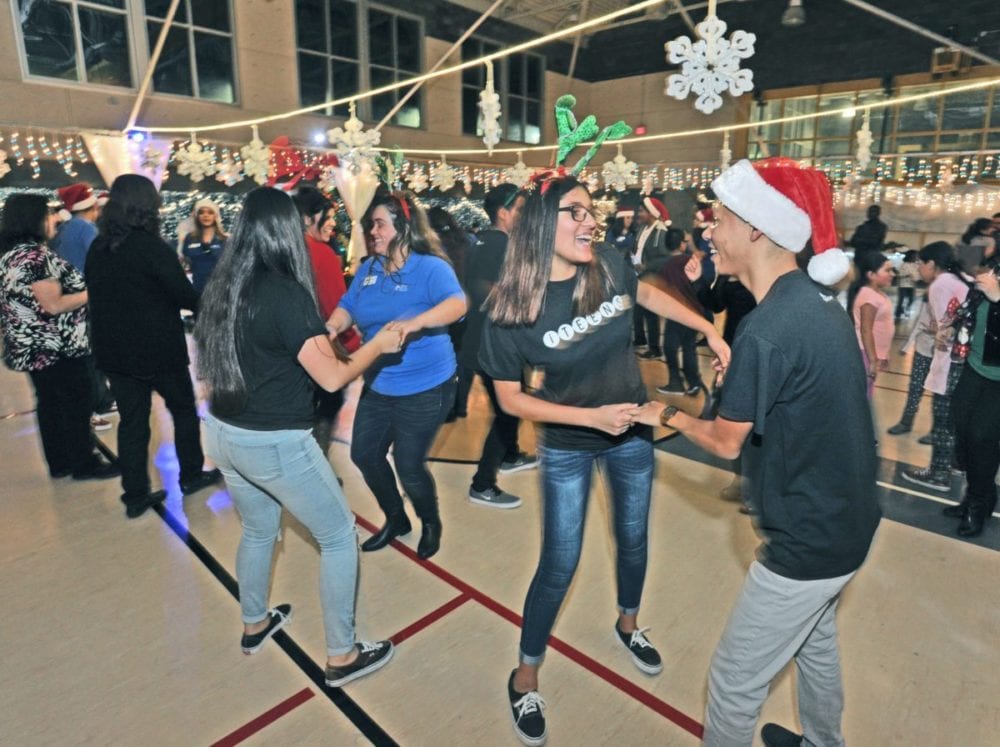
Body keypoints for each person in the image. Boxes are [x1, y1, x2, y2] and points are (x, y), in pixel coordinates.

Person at [632, 158, 880, 747]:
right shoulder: (816, 302)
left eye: (719, 220)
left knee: (733, 685)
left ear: (757, 229)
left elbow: (724, 440)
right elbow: (796, 399)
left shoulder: (767, 328)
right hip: (847, 521)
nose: (709, 232)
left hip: (807, 540)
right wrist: (740, 379)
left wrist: (662, 412)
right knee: (816, 645)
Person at [479, 174, 729, 747]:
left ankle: (628, 624)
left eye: (592, 211)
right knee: (560, 561)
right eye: (576, 212)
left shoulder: (609, 265)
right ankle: (525, 673)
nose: (591, 221)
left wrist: (704, 328)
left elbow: (644, 293)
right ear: (542, 223)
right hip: (568, 444)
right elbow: (509, 399)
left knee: (633, 538)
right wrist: (591, 420)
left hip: (632, 437)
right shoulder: (510, 308)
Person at [195, 187, 400, 686]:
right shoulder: (286, 292)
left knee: (261, 530)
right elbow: (332, 378)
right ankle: (342, 655)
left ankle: (254, 622)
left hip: (223, 432)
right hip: (275, 443)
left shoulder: (226, 284)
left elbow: (278, 350)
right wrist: (379, 344)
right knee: (337, 537)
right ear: (288, 231)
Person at [329, 191, 467, 560]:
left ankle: (430, 520)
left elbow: (457, 305)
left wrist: (416, 322)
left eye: (379, 224)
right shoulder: (369, 269)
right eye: (371, 224)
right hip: (380, 382)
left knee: (408, 464)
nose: (371, 231)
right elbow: (348, 306)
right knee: (364, 454)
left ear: (403, 227)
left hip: (427, 385)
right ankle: (396, 518)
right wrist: (332, 326)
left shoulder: (430, 267)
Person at [85, 174, 221, 519]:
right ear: (148, 206)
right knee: (184, 411)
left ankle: (135, 495)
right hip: (157, 349)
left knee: (132, 423)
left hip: (114, 351)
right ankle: (190, 475)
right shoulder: (152, 248)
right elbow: (185, 296)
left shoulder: (98, 248)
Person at [0, 193, 118, 481]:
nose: (54, 219)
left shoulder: (11, 254)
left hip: (31, 345)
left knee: (50, 404)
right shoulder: (36, 256)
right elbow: (52, 305)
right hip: (56, 345)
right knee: (75, 402)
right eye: (48, 214)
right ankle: (83, 463)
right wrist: (92, 292)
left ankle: (61, 463)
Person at [458, 184, 537, 510]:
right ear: (503, 213)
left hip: (483, 341)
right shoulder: (499, 244)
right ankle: (483, 483)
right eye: (519, 209)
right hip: (495, 344)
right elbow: (483, 289)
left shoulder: (486, 241)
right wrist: (522, 307)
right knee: (510, 408)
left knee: (509, 406)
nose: (523, 216)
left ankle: (510, 454)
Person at [293, 187, 360, 457]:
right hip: (318, 347)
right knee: (328, 402)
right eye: (328, 216)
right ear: (308, 218)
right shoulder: (321, 254)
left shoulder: (283, 250)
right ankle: (315, 466)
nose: (333, 222)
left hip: (284, 350)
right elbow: (336, 308)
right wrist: (354, 346)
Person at [900, 242, 970, 493]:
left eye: (920, 263)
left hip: (951, 362)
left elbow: (946, 331)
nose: (918, 268)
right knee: (952, 420)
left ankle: (938, 475)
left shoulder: (940, 285)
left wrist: (935, 330)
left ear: (932, 264)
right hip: (964, 363)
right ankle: (953, 465)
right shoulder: (959, 281)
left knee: (942, 420)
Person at [50, 181, 116, 428]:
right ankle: (97, 404)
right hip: (87, 298)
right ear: (92, 207)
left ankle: (95, 404)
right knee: (91, 353)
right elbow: (103, 260)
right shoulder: (86, 229)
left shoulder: (64, 230)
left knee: (81, 353)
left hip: (68, 301)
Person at [949, 256, 1000, 537]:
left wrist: (999, 297)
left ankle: (979, 505)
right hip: (974, 368)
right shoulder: (991, 270)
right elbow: (972, 317)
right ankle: (975, 496)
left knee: (983, 438)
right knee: (963, 431)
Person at [656, 252, 709, 396]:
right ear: (682, 244)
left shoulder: (666, 264)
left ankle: (676, 383)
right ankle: (694, 382)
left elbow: (660, 286)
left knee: (669, 347)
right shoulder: (691, 261)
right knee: (688, 346)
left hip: (677, 311)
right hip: (695, 310)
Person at [848, 251, 895, 399]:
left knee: (867, 391)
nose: (892, 274)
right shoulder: (869, 296)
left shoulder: (878, 293)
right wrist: (873, 360)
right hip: (865, 352)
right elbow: (866, 330)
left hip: (871, 353)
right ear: (871, 275)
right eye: (887, 270)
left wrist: (884, 355)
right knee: (861, 394)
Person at [886, 290, 933, 436]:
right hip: (923, 349)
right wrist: (907, 346)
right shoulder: (930, 294)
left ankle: (937, 430)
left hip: (943, 353)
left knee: (941, 395)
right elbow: (920, 321)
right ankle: (906, 422)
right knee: (915, 388)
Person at [631, 196, 672, 358]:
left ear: (651, 213)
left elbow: (665, 257)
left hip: (652, 278)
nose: (638, 214)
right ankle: (640, 339)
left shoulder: (660, 232)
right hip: (638, 276)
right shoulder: (642, 228)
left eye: (641, 211)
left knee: (650, 314)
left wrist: (646, 266)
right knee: (637, 310)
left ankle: (655, 349)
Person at [180, 198, 227, 294]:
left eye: (210, 212)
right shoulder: (190, 238)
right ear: (197, 216)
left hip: (219, 291)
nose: (206, 215)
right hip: (197, 290)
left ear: (215, 216)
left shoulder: (224, 240)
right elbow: (185, 261)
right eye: (202, 212)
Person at [895, 249, 919, 320]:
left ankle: (907, 309)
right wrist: (907, 275)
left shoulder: (916, 265)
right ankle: (898, 313)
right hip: (903, 285)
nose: (916, 257)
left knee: (912, 299)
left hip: (912, 285)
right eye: (915, 256)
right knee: (901, 300)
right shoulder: (903, 264)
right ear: (910, 256)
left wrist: (916, 278)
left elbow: (917, 274)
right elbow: (899, 274)